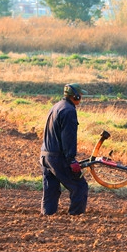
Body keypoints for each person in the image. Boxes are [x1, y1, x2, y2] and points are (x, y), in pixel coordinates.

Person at [40, 83, 88, 215]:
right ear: (75, 96)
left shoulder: (56, 106)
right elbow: (69, 137)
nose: (81, 98)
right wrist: (71, 160)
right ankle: (76, 218)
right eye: (80, 95)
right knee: (79, 186)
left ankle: (47, 217)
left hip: (45, 155)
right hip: (57, 156)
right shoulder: (69, 111)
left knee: (51, 188)